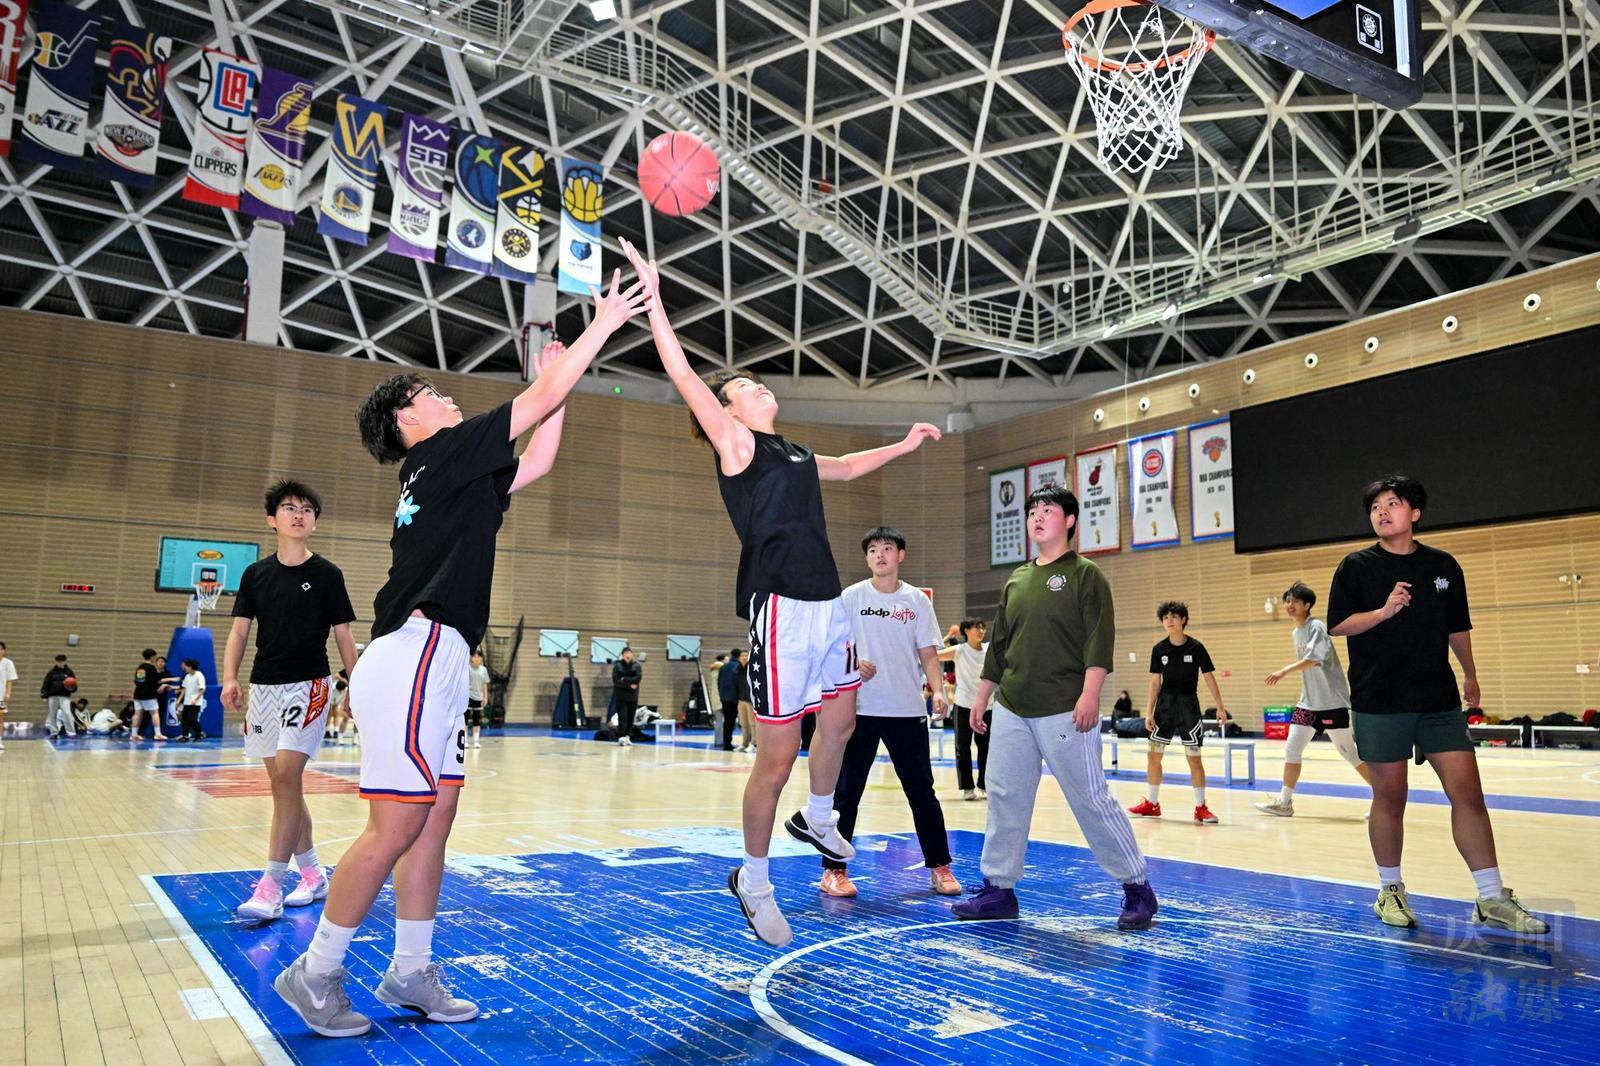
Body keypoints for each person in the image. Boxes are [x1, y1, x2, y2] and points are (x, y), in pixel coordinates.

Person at [273, 278, 645, 1038]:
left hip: (435, 657)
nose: (448, 399)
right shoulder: (443, 450)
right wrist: (601, 326)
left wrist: (556, 384)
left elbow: (538, 458)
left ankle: (411, 969)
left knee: (433, 820)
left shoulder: (453, 472)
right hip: (414, 652)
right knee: (395, 826)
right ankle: (315, 973)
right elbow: (536, 404)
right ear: (408, 418)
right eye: (433, 395)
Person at [622, 235, 941, 948]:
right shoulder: (737, 446)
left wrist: (905, 443)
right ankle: (755, 878)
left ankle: (819, 815)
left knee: (841, 723)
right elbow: (681, 374)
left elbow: (848, 466)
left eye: (758, 384)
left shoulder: (793, 452)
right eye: (745, 387)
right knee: (775, 757)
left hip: (828, 606)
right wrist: (656, 302)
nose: (760, 388)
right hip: (781, 610)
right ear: (728, 411)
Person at [1327, 474, 1546, 934]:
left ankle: (1491, 898)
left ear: (1415, 513)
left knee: (1468, 795)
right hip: (1379, 700)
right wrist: (1383, 612)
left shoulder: (1443, 565)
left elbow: (1457, 627)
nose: (1382, 512)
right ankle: (1390, 890)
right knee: (1390, 798)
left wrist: (1470, 673)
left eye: (1392, 504)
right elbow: (1338, 625)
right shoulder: (1355, 567)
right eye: (1375, 507)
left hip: (1437, 700)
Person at [953, 484, 1157, 930]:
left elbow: (1099, 639)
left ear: (1070, 521)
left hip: (1066, 707)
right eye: (1032, 512)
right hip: (1012, 706)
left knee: (1090, 798)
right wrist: (983, 695)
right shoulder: (1017, 579)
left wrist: (1090, 693)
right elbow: (999, 645)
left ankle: (1136, 886)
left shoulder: (1086, 575)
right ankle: (999, 888)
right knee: (1004, 796)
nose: (1038, 517)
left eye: (1048, 510)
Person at [224, 479, 359, 923]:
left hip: (309, 685)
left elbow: (343, 634)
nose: (298, 514)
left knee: (286, 776)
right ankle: (313, 874)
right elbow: (240, 631)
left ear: (315, 522)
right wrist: (229, 677)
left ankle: (271, 885)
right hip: (264, 687)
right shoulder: (255, 574)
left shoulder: (327, 574)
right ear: (272, 519)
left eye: (306, 509)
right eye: (289, 507)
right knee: (284, 786)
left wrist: (356, 685)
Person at [822, 526, 959, 898]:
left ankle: (940, 867)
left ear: (901, 555)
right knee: (847, 792)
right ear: (866, 558)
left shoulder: (916, 600)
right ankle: (833, 870)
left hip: (906, 710)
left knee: (922, 792)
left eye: (887, 548)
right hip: (859, 708)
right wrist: (853, 663)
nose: (879, 555)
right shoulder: (851, 597)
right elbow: (830, 645)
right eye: (872, 550)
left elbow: (928, 652)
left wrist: (938, 690)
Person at [1255, 581, 1372, 816]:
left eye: (1295, 601)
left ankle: (1384, 796)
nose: (1289, 605)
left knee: (1349, 753)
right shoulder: (1296, 632)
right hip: (1308, 703)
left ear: (1307, 605)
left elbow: (1313, 660)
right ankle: (1284, 802)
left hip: (1331, 703)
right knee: (1292, 748)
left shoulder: (1316, 627)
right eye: (1287, 601)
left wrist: (1283, 671)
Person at [1127, 602, 1228, 824]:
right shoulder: (1159, 649)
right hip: (1164, 707)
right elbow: (1155, 682)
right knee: (1153, 756)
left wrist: (1220, 706)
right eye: (1165, 618)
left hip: (1188, 707)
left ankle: (1201, 808)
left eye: (1174, 616)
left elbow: (1209, 677)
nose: (1169, 621)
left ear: (1183, 620)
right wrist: (1149, 712)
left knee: (1194, 759)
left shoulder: (1196, 648)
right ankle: (1152, 804)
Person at [937, 618, 990, 800]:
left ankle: (984, 785)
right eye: (977, 628)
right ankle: (967, 787)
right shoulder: (959, 650)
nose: (981, 631)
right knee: (963, 747)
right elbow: (934, 655)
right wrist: (947, 637)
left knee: (986, 747)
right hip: (964, 705)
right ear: (966, 631)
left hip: (987, 706)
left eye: (983, 628)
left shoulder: (989, 650)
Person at [131, 648, 165, 742]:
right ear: (152, 657)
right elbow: (157, 680)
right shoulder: (151, 668)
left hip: (138, 694)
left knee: (137, 714)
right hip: (148, 694)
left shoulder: (140, 667)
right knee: (154, 713)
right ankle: (158, 734)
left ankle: (133, 735)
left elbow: (137, 681)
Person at [611, 647, 642, 747]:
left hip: (633, 696)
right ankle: (621, 736)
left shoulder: (637, 666)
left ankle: (628, 736)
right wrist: (629, 685)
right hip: (621, 696)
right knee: (622, 717)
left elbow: (637, 678)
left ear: (632, 655)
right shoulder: (617, 666)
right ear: (623, 655)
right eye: (626, 654)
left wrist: (624, 678)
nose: (628, 655)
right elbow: (616, 681)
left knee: (630, 717)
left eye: (629, 653)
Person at [41, 655, 75, 740]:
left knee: (67, 713)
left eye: (62, 661)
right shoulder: (52, 672)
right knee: (52, 714)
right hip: (52, 696)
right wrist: (44, 694)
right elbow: (46, 683)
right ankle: (54, 732)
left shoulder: (69, 672)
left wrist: (73, 689)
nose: (60, 663)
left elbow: (74, 683)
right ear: (56, 662)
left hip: (64, 696)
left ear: (65, 661)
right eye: (58, 661)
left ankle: (71, 733)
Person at [717, 646, 742, 752]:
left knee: (727, 721)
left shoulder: (723, 667)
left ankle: (726, 742)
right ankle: (728, 743)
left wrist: (722, 695)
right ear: (739, 656)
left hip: (724, 698)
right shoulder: (738, 667)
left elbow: (719, 682)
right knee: (731, 721)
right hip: (734, 698)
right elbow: (738, 683)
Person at [175, 659, 206, 741]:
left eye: (186, 666)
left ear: (190, 666)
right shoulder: (187, 676)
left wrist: (196, 699)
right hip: (187, 701)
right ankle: (185, 736)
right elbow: (184, 689)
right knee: (184, 719)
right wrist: (179, 700)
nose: (185, 668)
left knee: (192, 719)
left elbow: (202, 689)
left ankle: (200, 733)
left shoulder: (199, 675)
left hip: (195, 702)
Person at [466, 652, 490, 749]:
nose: (476, 658)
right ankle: (465, 741)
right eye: (474, 656)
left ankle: (476, 741)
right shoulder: (467, 668)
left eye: (478, 656)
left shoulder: (483, 670)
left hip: (478, 697)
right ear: (471, 658)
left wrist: (485, 697)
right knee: (465, 720)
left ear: (481, 658)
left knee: (476, 720)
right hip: (468, 696)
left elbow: (484, 684)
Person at [736, 650, 756, 753]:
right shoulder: (738, 669)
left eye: (746, 655)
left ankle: (754, 744)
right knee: (743, 723)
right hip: (741, 699)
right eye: (742, 656)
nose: (744, 657)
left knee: (753, 723)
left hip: (750, 700)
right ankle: (745, 743)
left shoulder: (752, 668)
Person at [0, 641, 15, 750]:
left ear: (4, 651)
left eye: (1, 649)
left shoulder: (8, 663)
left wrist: (8, 693)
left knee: (0, 719)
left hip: (1, 697)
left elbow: (10, 680)